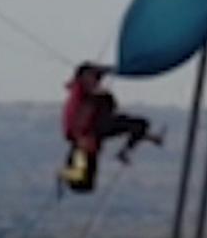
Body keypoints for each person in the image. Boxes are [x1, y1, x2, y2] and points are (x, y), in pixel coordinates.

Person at [60, 63, 160, 192]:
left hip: (94, 131)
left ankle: (123, 153)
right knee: (83, 183)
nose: (97, 82)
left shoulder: (95, 98)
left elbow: (121, 127)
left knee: (140, 125)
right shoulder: (80, 89)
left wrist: (149, 137)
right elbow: (86, 72)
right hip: (87, 138)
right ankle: (65, 173)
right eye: (95, 78)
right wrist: (116, 69)